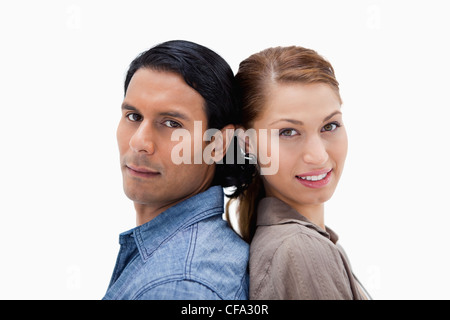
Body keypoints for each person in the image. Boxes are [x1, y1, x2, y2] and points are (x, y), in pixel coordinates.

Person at [103, 40, 249, 300]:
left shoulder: (181, 286)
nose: (139, 142)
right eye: (133, 117)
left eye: (171, 123)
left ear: (218, 144)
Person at [228, 46, 371, 299]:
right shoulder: (302, 250)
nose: (318, 155)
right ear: (246, 142)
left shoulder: (301, 244)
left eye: (330, 125)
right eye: (288, 132)